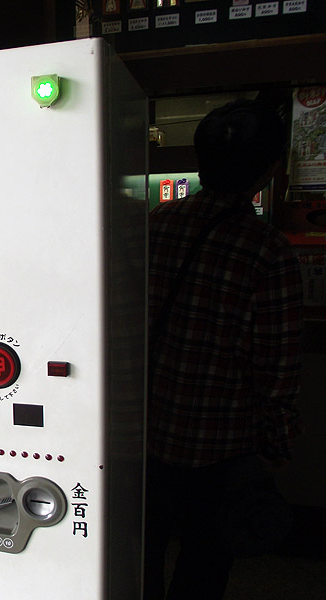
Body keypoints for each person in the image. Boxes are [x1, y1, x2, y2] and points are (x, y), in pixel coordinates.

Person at [144, 99, 304, 600]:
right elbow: (276, 372)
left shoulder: (157, 222)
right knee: (205, 564)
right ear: (268, 169)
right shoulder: (269, 251)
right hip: (222, 449)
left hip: (143, 437)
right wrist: (275, 449)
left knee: (139, 553)